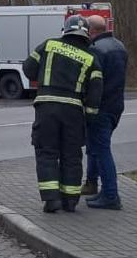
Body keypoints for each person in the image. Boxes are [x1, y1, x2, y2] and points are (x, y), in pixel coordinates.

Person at [22, 15, 103, 213]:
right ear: (86, 34)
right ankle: (70, 201)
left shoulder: (49, 45)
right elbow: (95, 92)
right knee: (72, 156)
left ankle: (51, 200)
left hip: (46, 108)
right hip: (73, 112)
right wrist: (90, 117)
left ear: (65, 30)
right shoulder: (91, 58)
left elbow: (28, 69)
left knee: (47, 152)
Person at [82, 15, 128, 210]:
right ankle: (92, 184)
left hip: (100, 106)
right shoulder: (120, 46)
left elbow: (92, 81)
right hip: (116, 105)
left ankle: (110, 195)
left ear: (92, 31)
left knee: (101, 150)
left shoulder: (96, 50)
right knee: (95, 146)